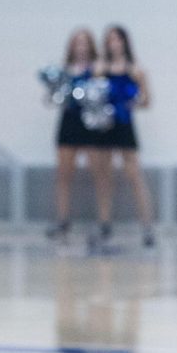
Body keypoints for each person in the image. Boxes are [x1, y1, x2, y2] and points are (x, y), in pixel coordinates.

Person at [91, 24, 155, 248]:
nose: (114, 44)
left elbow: (147, 100)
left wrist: (132, 102)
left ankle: (147, 225)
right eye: (110, 40)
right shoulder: (100, 68)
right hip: (104, 125)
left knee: (134, 175)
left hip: (124, 124)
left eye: (117, 40)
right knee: (103, 177)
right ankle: (104, 224)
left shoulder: (135, 70)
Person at [45, 28, 102, 241]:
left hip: (90, 123)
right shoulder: (64, 70)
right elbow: (53, 97)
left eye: (85, 43)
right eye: (77, 43)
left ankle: (99, 221)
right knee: (63, 175)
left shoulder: (97, 69)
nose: (81, 47)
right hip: (69, 122)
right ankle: (62, 220)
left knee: (97, 173)